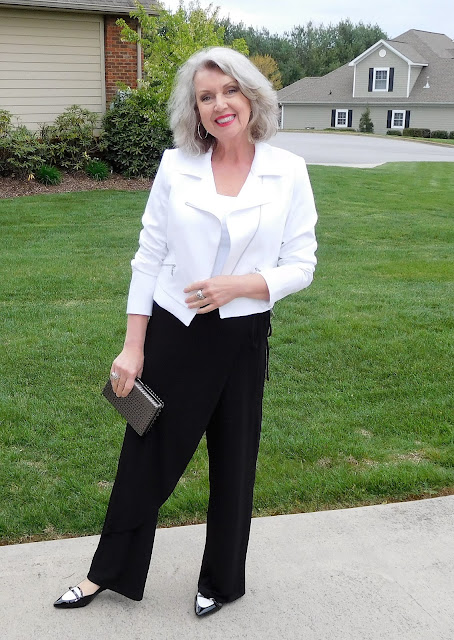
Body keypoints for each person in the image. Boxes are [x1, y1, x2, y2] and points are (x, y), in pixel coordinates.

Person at [54, 46, 317, 617]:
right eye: (206, 96)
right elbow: (147, 257)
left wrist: (238, 286)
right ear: (194, 110)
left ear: (251, 96)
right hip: (175, 330)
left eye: (230, 90)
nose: (220, 104)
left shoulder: (288, 170)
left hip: (243, 337)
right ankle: (106, 573)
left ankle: (221, 581)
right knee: (144, 454)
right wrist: (133, 347)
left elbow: (302, 264)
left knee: (235, 459)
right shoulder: (176, 166)